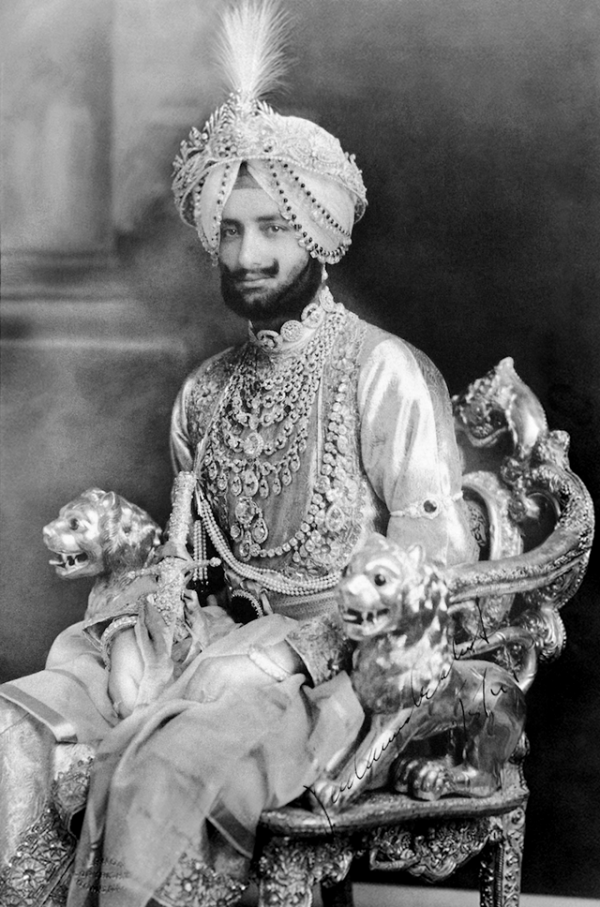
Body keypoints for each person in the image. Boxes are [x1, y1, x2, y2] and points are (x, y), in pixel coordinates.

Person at [0, 3, 477, 906]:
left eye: (272, 227)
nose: (248, 253)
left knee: (163, 766)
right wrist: (145, 628)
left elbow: (436, 573)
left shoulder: (385, 375)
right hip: (201, 646)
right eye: (230, 228)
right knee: (14, 734)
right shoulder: (204, 393)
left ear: (319, 236)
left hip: (328, 677)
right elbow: (186, 561)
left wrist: (291, 652)